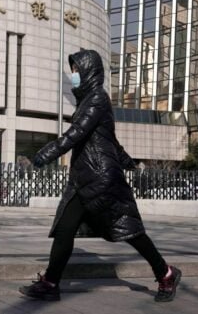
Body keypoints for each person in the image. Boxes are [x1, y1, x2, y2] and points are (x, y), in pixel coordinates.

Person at [19, 49, 181, 303]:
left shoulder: (96, 98)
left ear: (88, 71)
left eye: (75, 70)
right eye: (72, 70)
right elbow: (109, 139)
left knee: (130, 231)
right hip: (85, 178)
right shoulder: (89, 100)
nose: (73, 75)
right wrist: (128, 161)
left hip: (101, 179)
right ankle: (50, 283)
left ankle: (166, 273)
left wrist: (46, 153)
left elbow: (77, 132)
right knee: (65, 229)